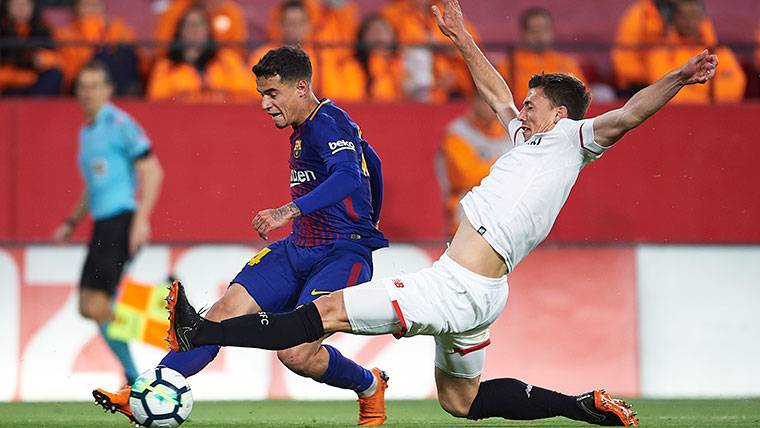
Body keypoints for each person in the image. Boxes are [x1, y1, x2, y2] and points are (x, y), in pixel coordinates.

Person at [165, 0, 720, 425]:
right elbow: (496, 90)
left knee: (323, 314)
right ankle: (581, 406)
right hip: (483, 295)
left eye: (533, 103)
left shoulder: (576, 139)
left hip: (453, 287)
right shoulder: (529, 138)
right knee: (462, 400)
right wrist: (460, 34)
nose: (520, 108)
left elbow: (629, 114)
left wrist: (678, 77)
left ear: (561, 112)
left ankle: (207, 331)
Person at [95, 46, 391, 427]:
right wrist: (371, 215)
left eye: (272, 94)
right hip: (297, 248)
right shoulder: (307, 128)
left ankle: (369, 386)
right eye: (261, 95)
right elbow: (374, 163)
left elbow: (350, 176)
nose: (265, 105)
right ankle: (145, 391)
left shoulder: (328, 121)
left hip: (340, 255)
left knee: (296, 353)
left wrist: (292, 212)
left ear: (301, 88)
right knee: (218, 315)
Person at [52, 61, 164, 386]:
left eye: (94, 86)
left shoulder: (119, 123)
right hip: (103, 224)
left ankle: (136, 378)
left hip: (121, 220)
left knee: (98, 302)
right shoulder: (87, 131)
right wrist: (71, 221)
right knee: (89, 305)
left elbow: (153, 170)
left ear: (108, 90)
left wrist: (141, 221)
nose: (88, 93)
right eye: (82, 86)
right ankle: (162, 314)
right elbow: (95, 184)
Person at [644, 0, 744, 103]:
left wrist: (691, 85)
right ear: (674, 19)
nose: (690, 22)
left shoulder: (721, 52)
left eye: (694, 16)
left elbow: (735, 88)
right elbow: (664, 93)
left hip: (715, 115)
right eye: (684, 16)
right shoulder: (660, 53)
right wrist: (708, 92)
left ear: (702, 19)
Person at [147, 6, 255, 102]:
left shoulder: (227, 60)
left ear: (208, 29)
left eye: (199, 24)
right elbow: (157, 100)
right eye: (189, 25)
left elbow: (247, 95)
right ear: (180, 31)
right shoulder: (166, 66)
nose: (194, 29)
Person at [437, 94, 509, 237]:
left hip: (503, 208)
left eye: (492, 100)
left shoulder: (510, 130)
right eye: (483, 99)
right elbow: (467, 177)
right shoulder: (457, 133)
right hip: (467, 206)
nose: (488, 105)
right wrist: (505, 164)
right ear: (474, 100)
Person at [611, 0, 716, 96]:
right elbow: (624, 57)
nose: (690, 22)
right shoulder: (642, 13)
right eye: (685, 18)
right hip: (640, 84)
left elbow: (709, 47)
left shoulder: (692, 9)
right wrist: (648, 76)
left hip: (681, 74)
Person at [496, 7, 585, 104]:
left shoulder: (566, 63)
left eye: (544, 30)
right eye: (534, 31)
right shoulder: (508, 64)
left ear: (551, 31)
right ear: (523, 33)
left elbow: (581, 98)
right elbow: (498, 99)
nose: (540, 36)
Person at [54, 0, 141, 95]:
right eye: (86, 5)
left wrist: (107, 30)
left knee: (124, 52)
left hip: (111, 77)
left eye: (95, 5)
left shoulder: (113, 26)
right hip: (78, 80)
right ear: (76, 8)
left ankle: (125, 94)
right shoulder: (65, 32)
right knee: (102, 57)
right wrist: (91, 25)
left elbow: (131, 47)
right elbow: (76, 62)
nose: (91, 10)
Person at [0, 0, 62, 95]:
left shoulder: (42, 28)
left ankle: (41, 107)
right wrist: (19, 77)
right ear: (7, 7)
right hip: (8, 84)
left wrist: (43, 58)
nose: (21, 8)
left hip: (35, 81)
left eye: (26, 4)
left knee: (53, 74)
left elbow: (55, 57)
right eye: (16, 4)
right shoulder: (3, 30)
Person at [154, 0, 248, 59]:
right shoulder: (175, 10)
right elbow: (161, 50)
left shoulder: (229, 12)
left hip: (218, 70)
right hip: (180, 66)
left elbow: (238, 54)